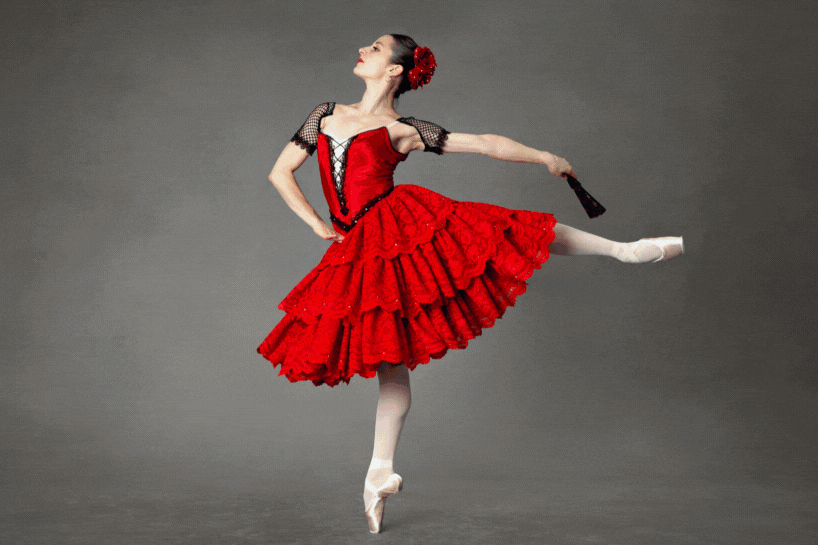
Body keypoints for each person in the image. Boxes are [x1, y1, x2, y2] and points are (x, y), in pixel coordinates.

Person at [257, 34, 683, 534]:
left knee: (504, 229)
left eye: (375, 48)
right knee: (390, 362)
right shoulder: (324, 114)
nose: (362, 50)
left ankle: (625, 250)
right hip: (360, 248)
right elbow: (281, 172)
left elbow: (481, 143)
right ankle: (379, 473)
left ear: (394, 70)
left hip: (397, 226)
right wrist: (314, 223)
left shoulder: (401, 129)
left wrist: (543, 155)